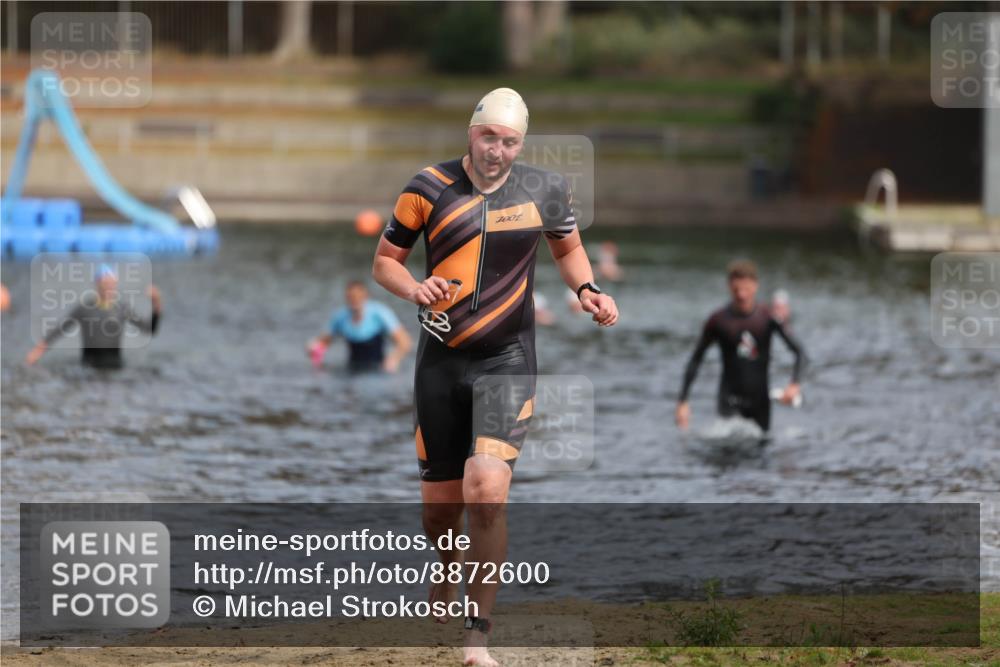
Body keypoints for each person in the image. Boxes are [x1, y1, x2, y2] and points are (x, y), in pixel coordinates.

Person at [372, 87, 618, 667]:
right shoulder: (427, 188)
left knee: (485, 491)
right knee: (439, 507)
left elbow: (569, 251)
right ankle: (445, 570)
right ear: (470, 132)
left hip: (507, 360)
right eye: (488, 137)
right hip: (439, 361)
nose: (497, 151)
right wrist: (414, 288)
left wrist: (587, 290)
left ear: (521, 143)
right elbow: (385, 262)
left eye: (509, 142)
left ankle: (477, 634)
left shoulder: (544, 191)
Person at [675, 260, 804, 435]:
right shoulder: (718, 320)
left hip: (760, 402)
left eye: (746, 289)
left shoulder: (768, 318)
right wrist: (683, 401)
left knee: (760, 453)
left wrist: (794, 384)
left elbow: (800, 353)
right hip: (729, 400)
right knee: (727, 451)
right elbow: (696, 359)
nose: (742, 295)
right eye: (737, 290)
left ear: (755, 286)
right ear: (729, 287)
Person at [25, 264, 161, 369]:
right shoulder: (85, 308)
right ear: (97, 284)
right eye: (105, 283)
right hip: (88, 367)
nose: (109, 287)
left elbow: (150, 330)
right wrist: (36, 352)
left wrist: (156, 304)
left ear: (115, 284)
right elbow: (59, 330)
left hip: (115, 366)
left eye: (111, 283)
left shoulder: (123, 309)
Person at [307, 280, 411, 374]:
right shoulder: (341, 317)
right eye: (351, 297)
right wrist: (313, 347)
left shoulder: (379, 313)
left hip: (377, 368)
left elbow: (404, 342)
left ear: (365, 296)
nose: (354, 300)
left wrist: (393, 359)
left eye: (358, 297)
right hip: (353, 367)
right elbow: (323, 342)